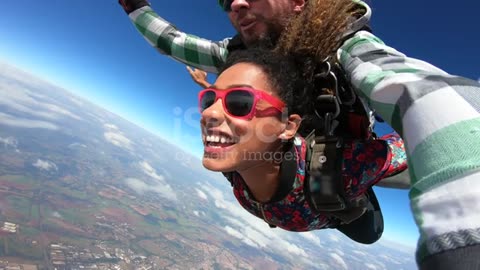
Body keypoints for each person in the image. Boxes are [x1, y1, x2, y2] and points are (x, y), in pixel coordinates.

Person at [118, 0, 480, 268]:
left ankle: (358, 190)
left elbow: (420, 91)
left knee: (362, 218)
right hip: (289, 164)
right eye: (226, 1)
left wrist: (464, 239)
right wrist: (136, 7)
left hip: (345, 162)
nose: (236, 5)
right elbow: (176, 44)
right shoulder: (239, 56)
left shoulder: (345, 45)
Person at [199, 0, 405, 244]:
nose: (208, 113)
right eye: (210, 99)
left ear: (288, 127)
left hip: (338, 190)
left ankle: (361, 189)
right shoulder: (234, 160)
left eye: (241, 103)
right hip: (302, 202)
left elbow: (408, 143)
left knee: (369, 233)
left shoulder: (342, 168)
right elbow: (175, 44)